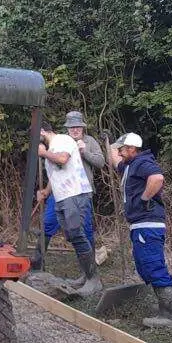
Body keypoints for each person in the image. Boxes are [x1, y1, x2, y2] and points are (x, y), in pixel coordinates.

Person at [108, 132, 172, 329]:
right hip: (140, 224)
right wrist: (109, 143)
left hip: (147, 224)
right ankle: (165, 310)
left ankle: (169, 316)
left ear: (132, 149)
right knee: (144, 265)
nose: (120, 153)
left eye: (123, 149)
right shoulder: (129, 164)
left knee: (152, 264)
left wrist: (144, 199)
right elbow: (115, 162)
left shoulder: (142, 162)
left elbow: (157, 178)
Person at [37, 121, 102, 296]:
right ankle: (86, 277)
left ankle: (93, 280)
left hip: (75, 194)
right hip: (61, 196)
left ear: (42, 131)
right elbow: (57, 173)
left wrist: (44, 153)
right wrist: (46, 191)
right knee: (73, 236)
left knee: (77, 234)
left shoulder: (62, 140)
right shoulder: (53, 146)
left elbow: (62, 159)